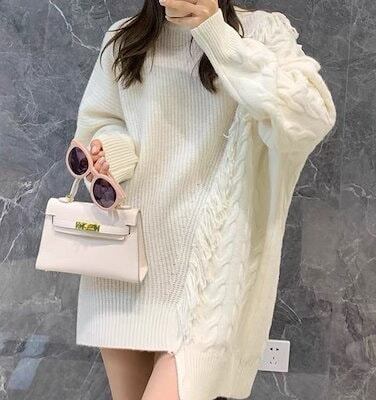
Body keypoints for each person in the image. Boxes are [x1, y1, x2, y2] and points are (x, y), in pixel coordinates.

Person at [74, 0, 337, 399]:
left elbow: (311, 117)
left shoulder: (262, 32)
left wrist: (215, 33)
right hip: (125, 262)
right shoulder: (125, 37)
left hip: (208, 275)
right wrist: (111, 155)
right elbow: (102, 122)